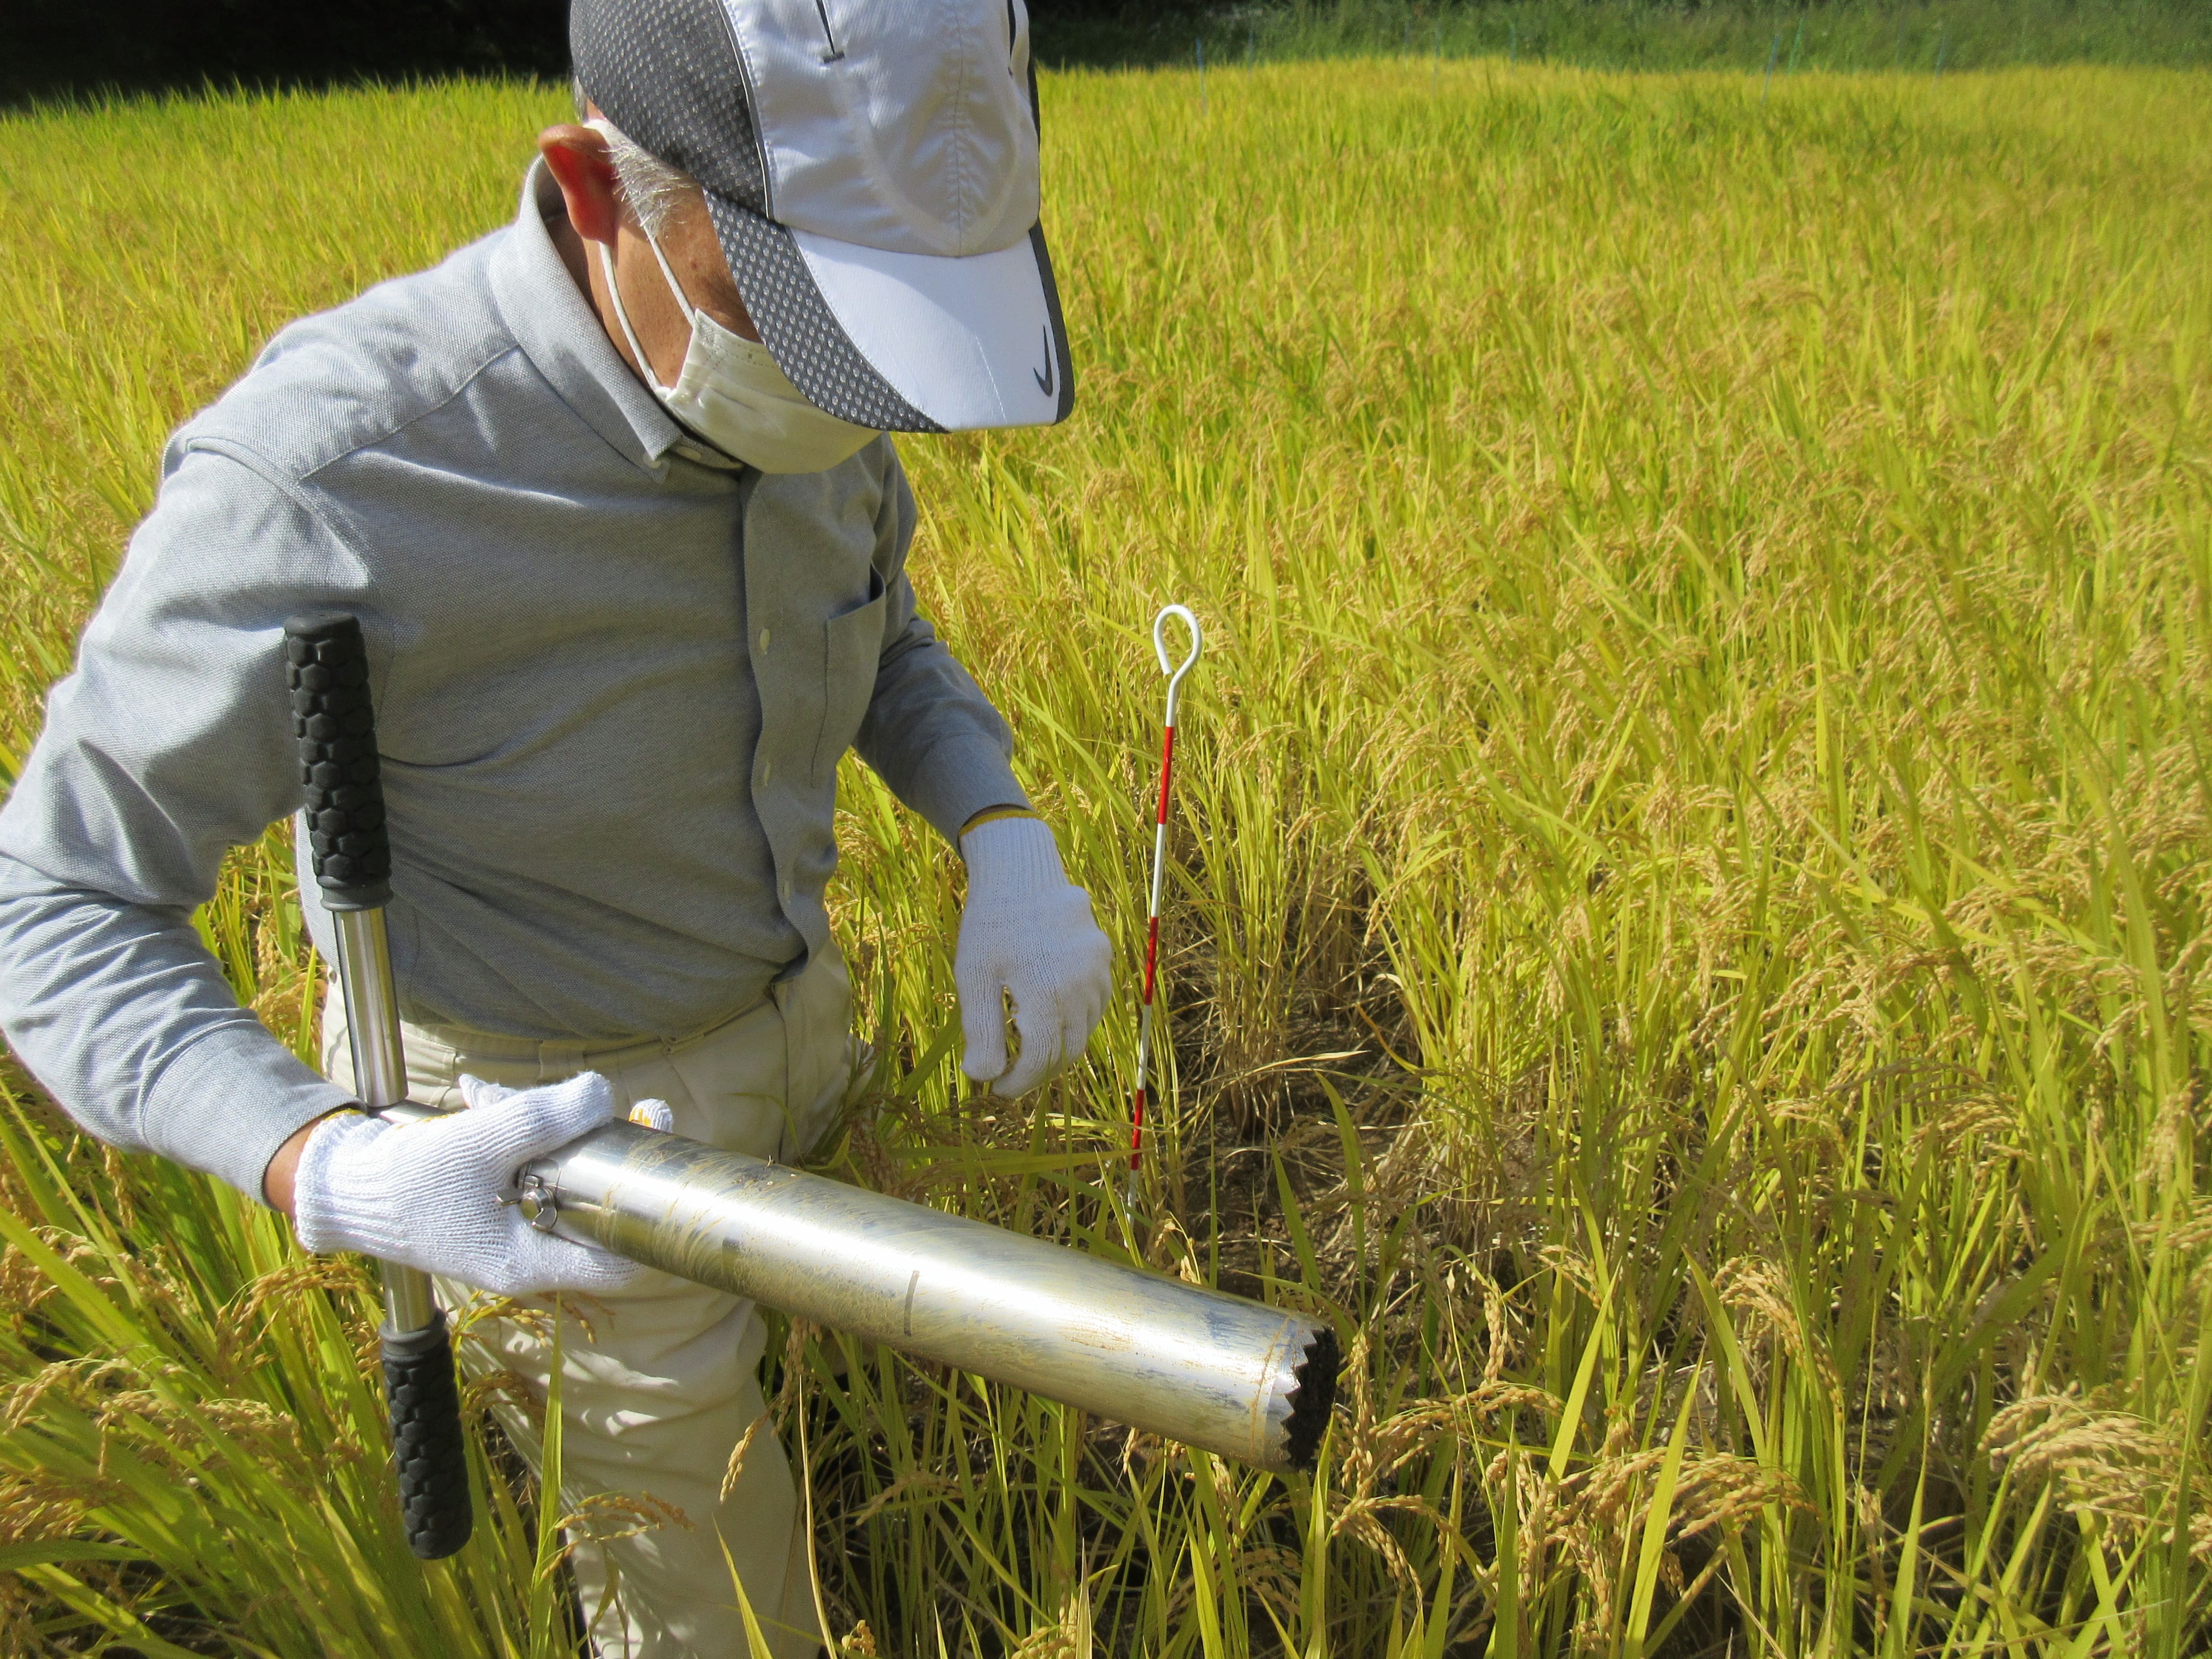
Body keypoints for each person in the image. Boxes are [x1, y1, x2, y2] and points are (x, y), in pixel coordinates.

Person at [0, 0, 1110, 1652]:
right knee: (718, 1617)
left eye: (891, 347)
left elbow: (876, 623)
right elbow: (58, 903)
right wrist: (326, 1166)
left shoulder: (810, 391)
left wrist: (997, 823)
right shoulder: (337, 474)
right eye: (804, 325)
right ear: (598, 198)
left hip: (803, 1028)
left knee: (868, 1445)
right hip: (560, 1161)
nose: (860, 398)